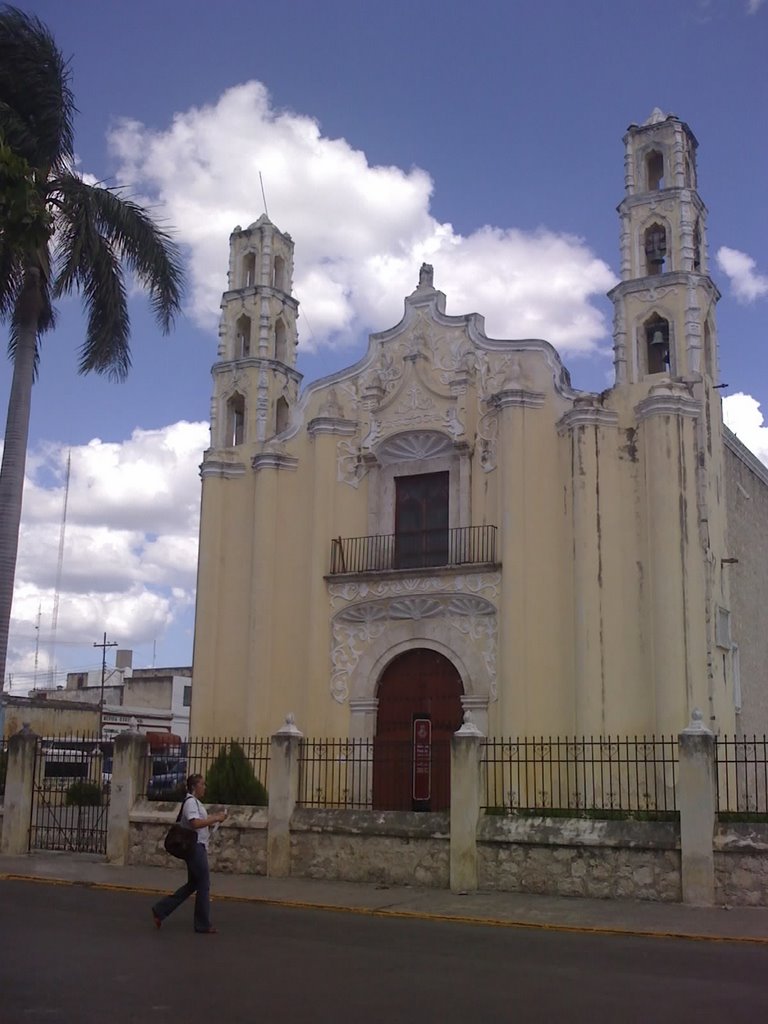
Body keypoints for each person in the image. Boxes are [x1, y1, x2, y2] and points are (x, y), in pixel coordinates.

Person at [151, 773, 228, 934]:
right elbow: (195, 823)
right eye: (202, 784)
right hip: (195, 848)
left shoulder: (196, 803)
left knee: (193, 884)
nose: (204, 787)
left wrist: (216, 818)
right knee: (204, 885)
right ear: (194, 786)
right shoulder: (191, 803)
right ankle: (202, 924)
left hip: (199, 846)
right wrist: (215, 818)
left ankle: (160, 910)